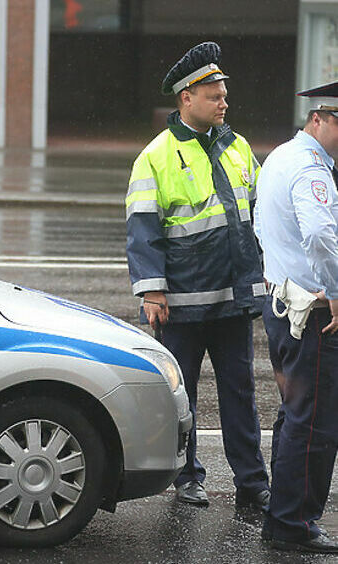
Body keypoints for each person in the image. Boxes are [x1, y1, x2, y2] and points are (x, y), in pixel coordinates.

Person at [125, 41, 269, 508]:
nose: (224, 102)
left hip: (234, 297)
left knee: (241, 394)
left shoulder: (238, 145)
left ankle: (253, 483)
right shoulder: (156, 156)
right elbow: (143, 229)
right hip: (182, 303)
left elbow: (261, 212)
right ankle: (187, 477)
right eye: (214, 94)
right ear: (187, 98)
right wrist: (151, 290)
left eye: (224, 94)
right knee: (180, 396)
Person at [254, 81, 338, 554]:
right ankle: (294, 523)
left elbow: (262, 227)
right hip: (314, 312)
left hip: (282, 304)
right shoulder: (311, 171)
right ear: (320, 119)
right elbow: (322, 237)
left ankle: (283, 513)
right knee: (317, 422)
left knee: (294, 416)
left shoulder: (281, 156)